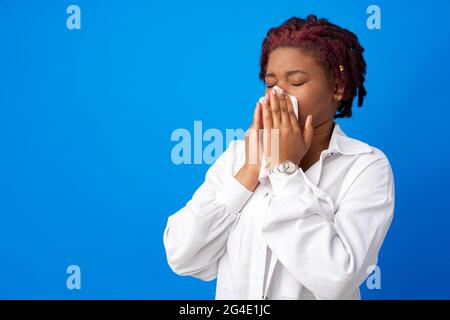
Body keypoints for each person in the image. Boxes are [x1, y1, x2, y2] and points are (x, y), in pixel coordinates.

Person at [163, 15, 395, 300]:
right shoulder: (238, 156)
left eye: (296, 82)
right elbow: (182, 256)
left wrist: (285, 170)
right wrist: (250, 170)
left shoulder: (365, 166)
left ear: (338, 88)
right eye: (271, 84)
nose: (278, 97)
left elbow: (336, 280)